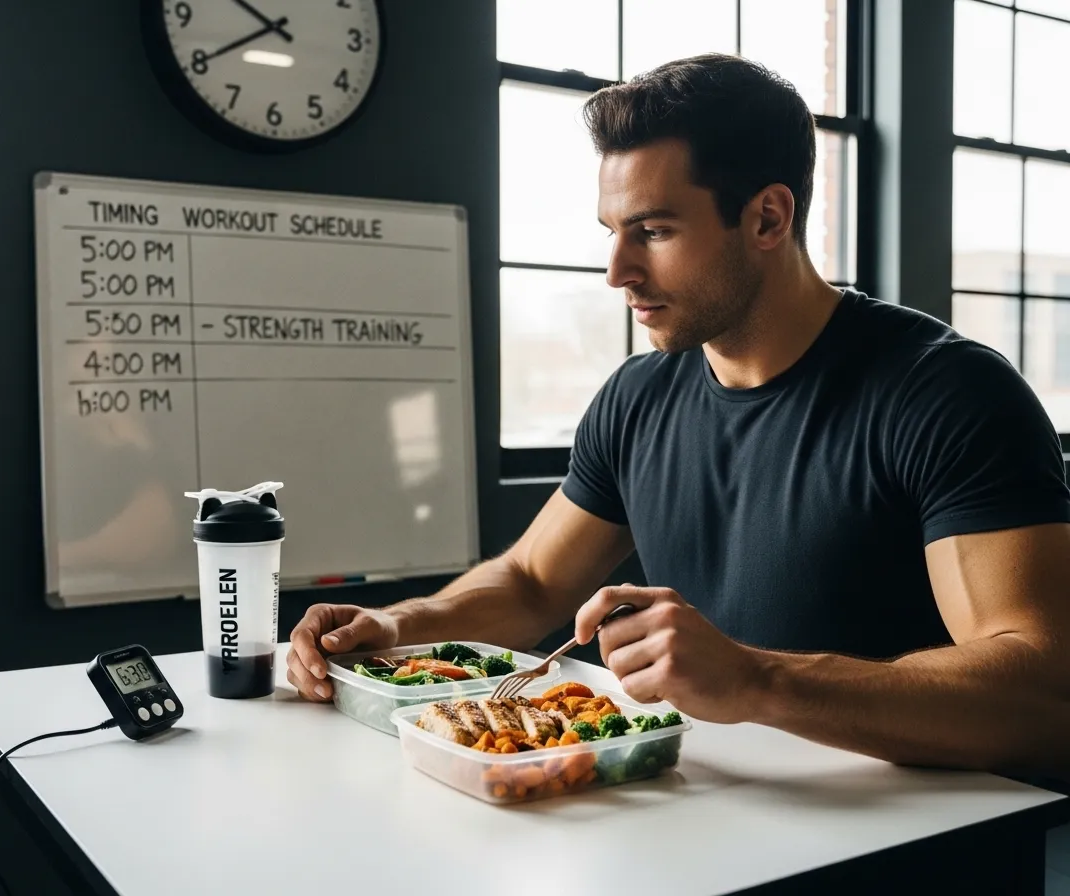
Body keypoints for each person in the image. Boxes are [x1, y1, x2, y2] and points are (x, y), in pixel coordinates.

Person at [287, 54, 1070, 780]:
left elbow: (1038, 693)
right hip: (705, 821)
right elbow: (531, 582)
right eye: (613, 233)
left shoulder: (949, 395)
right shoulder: (639, 395)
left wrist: (757, 679)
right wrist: (395, 629)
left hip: (908, 852)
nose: (617, 271)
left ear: (767, 218)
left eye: (654, 231)